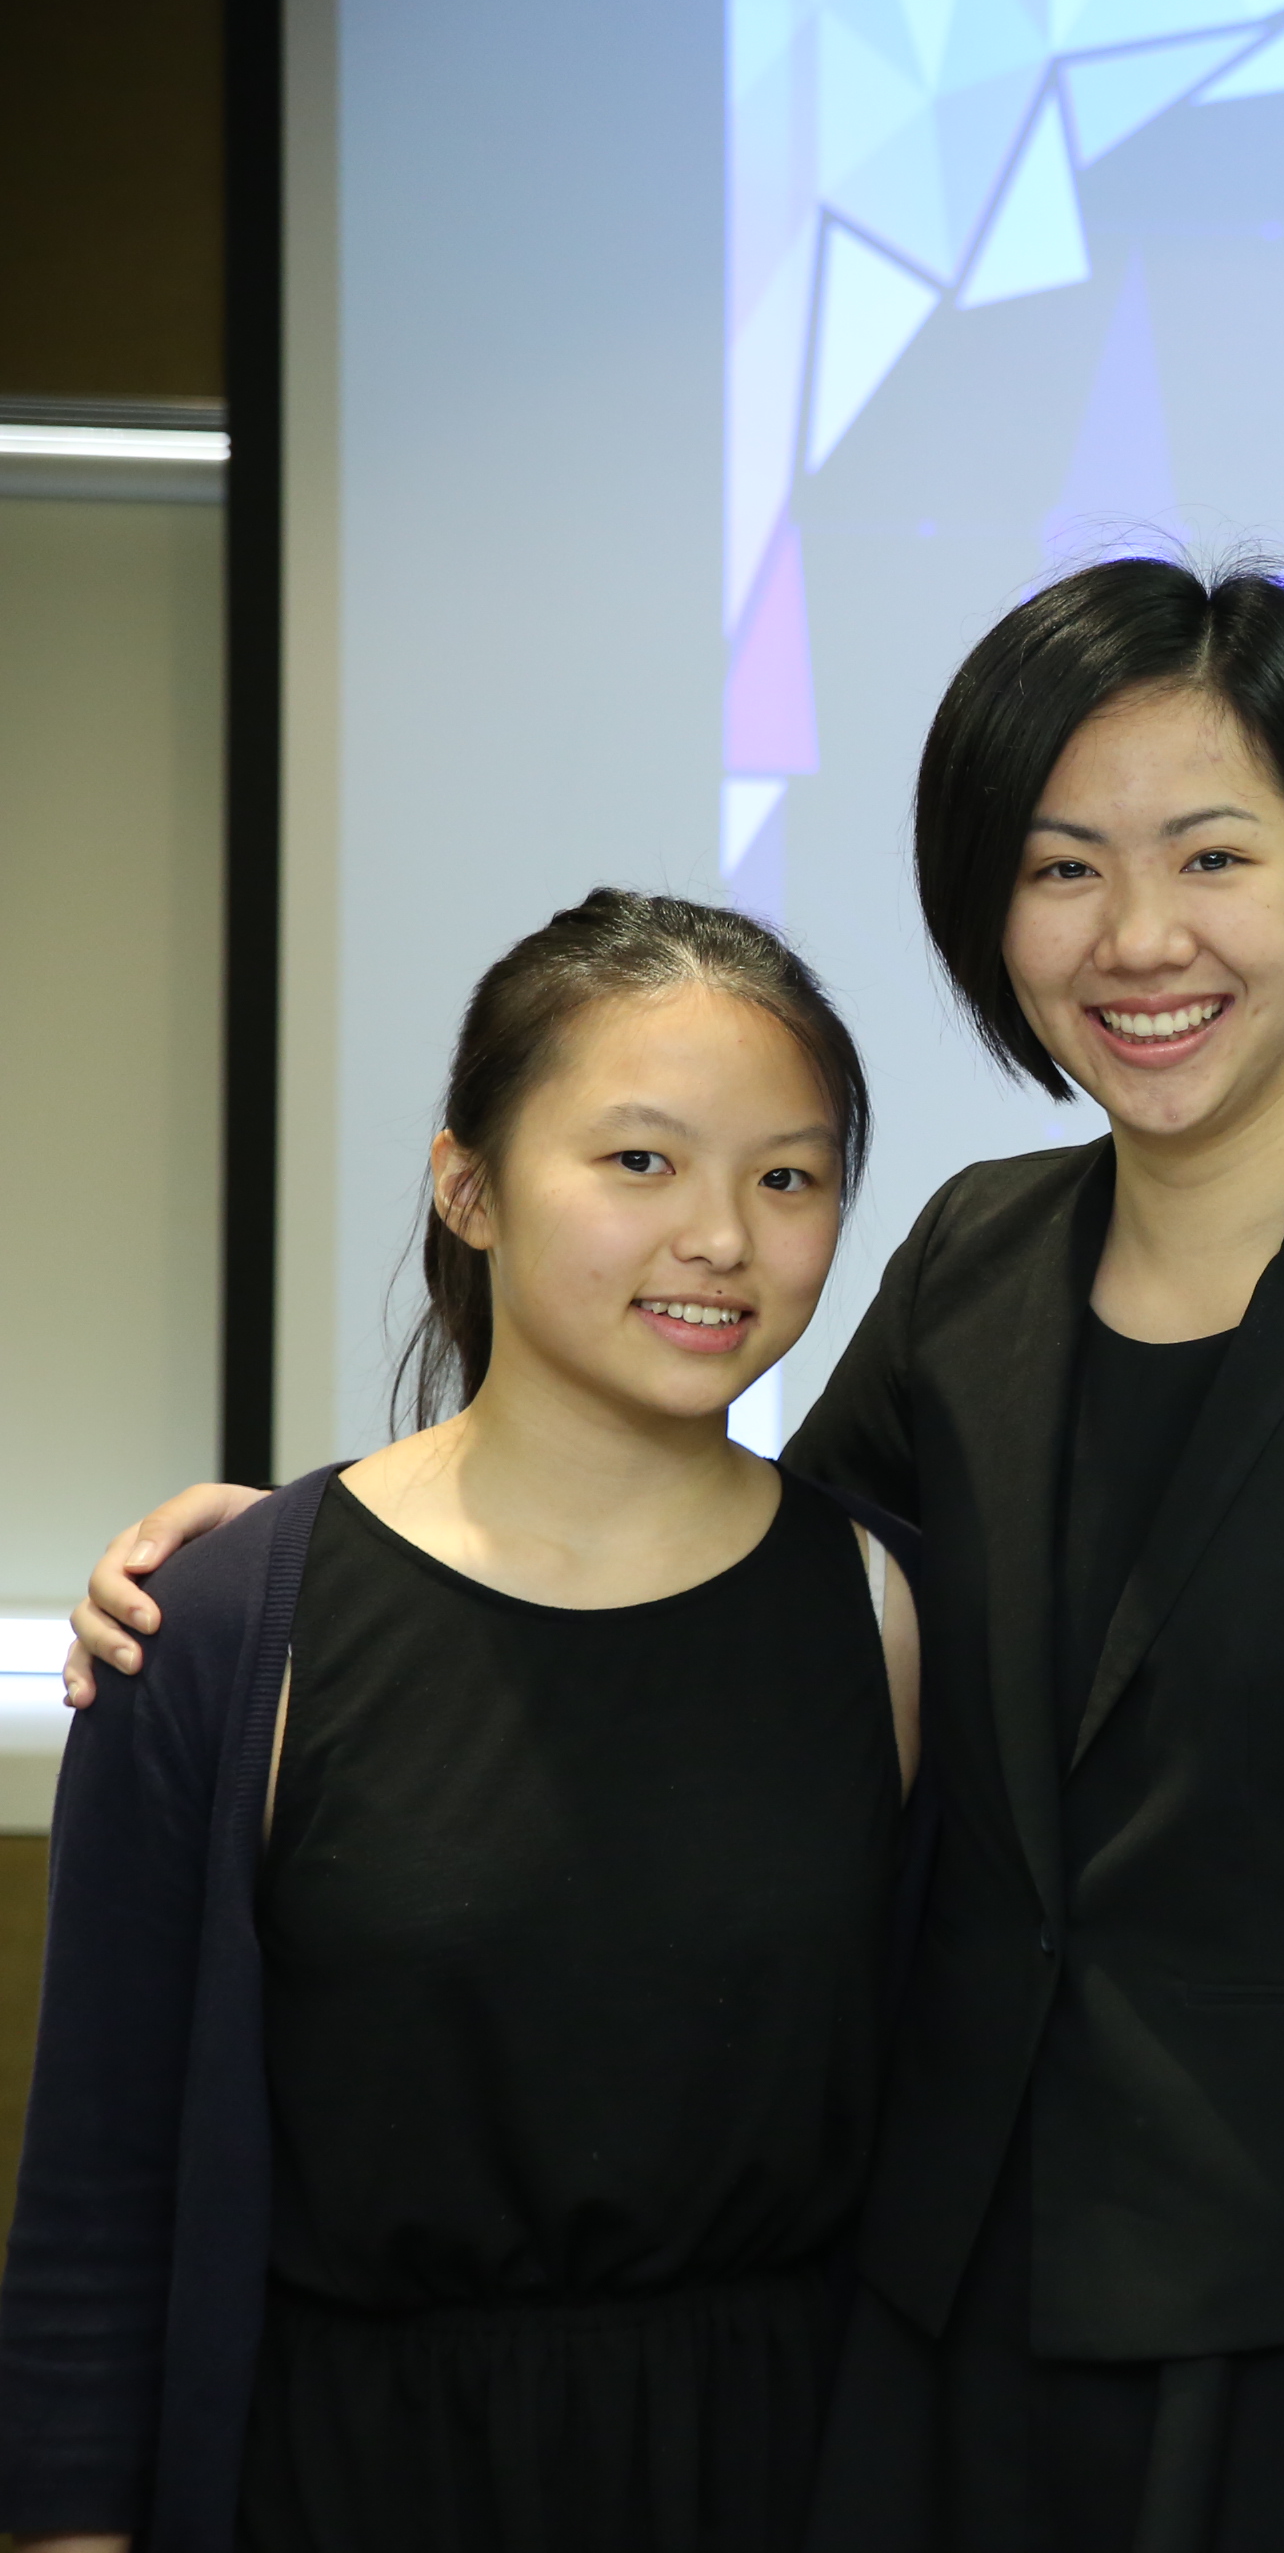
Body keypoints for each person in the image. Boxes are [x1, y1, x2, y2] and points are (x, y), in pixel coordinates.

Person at [62, 559, 1284, 2553]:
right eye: (1063, 866)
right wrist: (311, 1553)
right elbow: (716, 1585)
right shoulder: (975, 1256)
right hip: (931, 2339)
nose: (1138, 934)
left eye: (1212, 855)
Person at [0, 890, 919, 2553]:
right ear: (468, 1185)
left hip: (784, 2476)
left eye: (787, 1176)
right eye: (639, 1162)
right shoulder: (214, 1630)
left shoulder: (891, 1612)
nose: (721, 1235)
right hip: (347, 2480)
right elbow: (98, 2208)